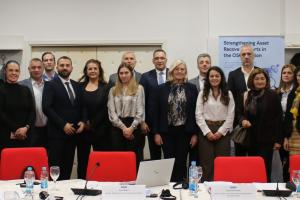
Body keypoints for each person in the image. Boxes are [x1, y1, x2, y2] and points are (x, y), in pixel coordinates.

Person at [153, 59, 198, 182]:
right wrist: (156, 133)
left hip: (185, 131)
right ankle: (169, 187)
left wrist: (194, 133)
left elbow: (195, 112)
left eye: (182, 69)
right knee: (169, 161)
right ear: (172, 71)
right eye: (176, 69)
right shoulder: (161, 88)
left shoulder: (192, 88)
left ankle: (180, 187)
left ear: (185, 72)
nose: (179, 71)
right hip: (166, 131)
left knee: (181, 161)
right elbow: (156, 112)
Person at [42, 56, 85, 180]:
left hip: (73, 135)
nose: (65, 68)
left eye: (67, 65)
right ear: (57, 67)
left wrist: (83, 120)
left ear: (71, 67)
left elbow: (83, 106)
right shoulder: (50, 85)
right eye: (62, 65)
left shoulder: (77, 85)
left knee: (67, 169)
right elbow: (47, 108)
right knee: (55, 170)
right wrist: (63, 125)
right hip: (57, 135)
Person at [237, 68, 282, 182]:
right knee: (252, 168)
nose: (260, 81)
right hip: (250, 139)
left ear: (266, 80)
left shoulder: (273, 95)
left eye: (262, 78)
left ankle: (264, 192)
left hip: (267, 139)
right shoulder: (246, 95)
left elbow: (278, 118)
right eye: (257, 79)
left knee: (265, 167)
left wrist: (278, 140)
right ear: (252, 80)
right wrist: (242, 121)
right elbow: (239, 113)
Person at [195, 66, 235, 182]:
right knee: (206, 162)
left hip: (223, 131)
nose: (214, 78)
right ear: (208, 78)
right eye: (211, 76)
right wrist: (207, 132)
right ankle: (206, 189)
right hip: (206, 130)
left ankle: (221, 187)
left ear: (221, 78)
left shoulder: (228, 93)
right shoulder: (202, 93)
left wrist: (220, 132)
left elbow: (230, 116)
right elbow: (198, 115)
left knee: (222, 161)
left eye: (217, 76)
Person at [107, 63, 145, 168]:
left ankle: (134, 183)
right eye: (121, 73)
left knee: (134, 159)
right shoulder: (113, 90)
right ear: (118, 75)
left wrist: (131, 128)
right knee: (118, 160)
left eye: (126, 73)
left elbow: (140, 111)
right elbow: (111, 112)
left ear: (131, 74)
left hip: (134, 126)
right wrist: (124, 128)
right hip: (117, 128)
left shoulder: (139, 88)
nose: (123, 75)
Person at [228, 44, 259, 156]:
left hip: (257, 124)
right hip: (239, 123)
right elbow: (230, 100)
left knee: (255, 158)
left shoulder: (260, 73)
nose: (246, 56)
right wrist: (240, 119)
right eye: (243, 54)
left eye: (249, 54)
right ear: (240, 57)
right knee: (240, 157)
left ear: (253, 56)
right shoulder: (233, 75)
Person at [0, 60, 35, 152]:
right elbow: (1, 114)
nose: (14, 73)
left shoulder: (25, 89)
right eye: (10, 70)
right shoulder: (1, 89)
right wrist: (16, 130)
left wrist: (25, 128)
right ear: (5, 71)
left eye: (16, 70)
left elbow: (32, 111)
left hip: (25, 136)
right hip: (6, 137)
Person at [139, 49, 168, 160]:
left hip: (169, 124)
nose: (159, 60)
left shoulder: (173, 73)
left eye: (162, 58)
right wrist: (143, 121)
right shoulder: (145, 77)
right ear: (153, 60)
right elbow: (141, 101)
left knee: (169, 155)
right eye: (157, 58)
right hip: (151, 123)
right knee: (155, 155)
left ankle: (170, 178)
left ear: (166, 60)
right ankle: (156, 177)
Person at [79, 59, 111, 151]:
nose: (92, 71)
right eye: (90, 69)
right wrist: (85, 122)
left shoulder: (106, 87)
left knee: (101, 161)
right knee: (83, 161)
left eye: (95, 68)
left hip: (101, 130)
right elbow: (79, 107)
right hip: (83, 130)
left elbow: (106, 108)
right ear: (86, 71)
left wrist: (92, 123)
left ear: (99, 70)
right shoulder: (79, 86)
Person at [189, 53, 212, 165]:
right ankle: (195, 182)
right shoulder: (190, 83)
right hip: (194, 125)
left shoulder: (217, 82)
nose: (204, 64)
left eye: (207, 62)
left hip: (212, 125)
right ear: (197, 65)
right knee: (195, 158)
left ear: (210, 64)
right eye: (201, 62)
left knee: (209, 158)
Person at [19, 58, 48, 148]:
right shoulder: (21, 85)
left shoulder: (50, 85)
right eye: (33, 67)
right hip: (30, 130)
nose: (36, 70)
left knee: (48, 159)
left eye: (39, 67)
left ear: (43, 69)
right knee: (31, 159)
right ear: (29, 69)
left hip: (48, 130)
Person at [277, 64, 296, 182]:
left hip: (292, 131)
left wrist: (286, 136)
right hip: (279, 130)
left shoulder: (296, 92)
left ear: (294, 76)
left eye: (289, 73)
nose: (286, 75)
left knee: (290, 162)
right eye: (284, 73)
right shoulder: (278, 92)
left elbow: (289, 115)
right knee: (280, 162)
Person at [288, 66, 300, 156]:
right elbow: (289, 115)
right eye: (299, 75)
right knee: (295, 165)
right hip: (294, 131)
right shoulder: (294, 92)